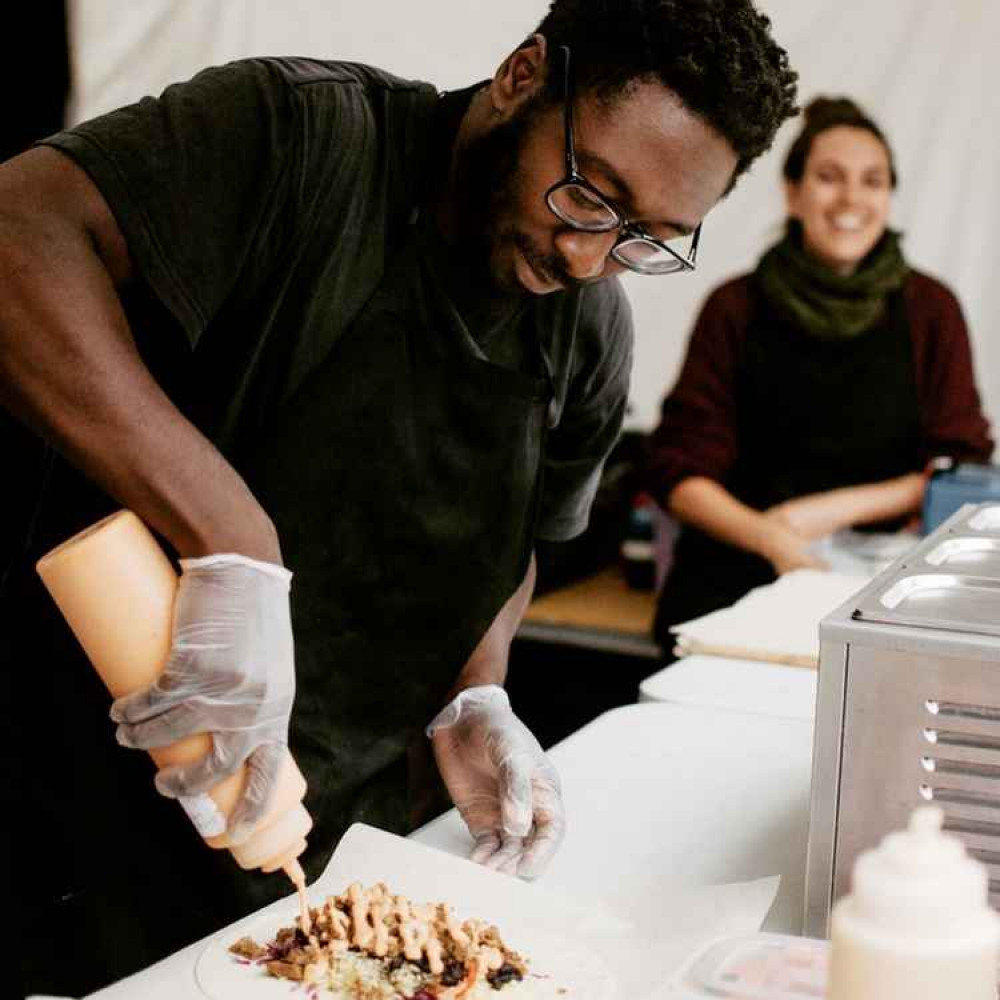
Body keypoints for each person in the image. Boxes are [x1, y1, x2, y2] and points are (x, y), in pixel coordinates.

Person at [0, 1, 798, 993]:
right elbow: (18, 228)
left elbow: (518, 541)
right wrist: (231, 534)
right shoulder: (300, 137)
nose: (587, 259)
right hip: (79, 806)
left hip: (326, 835)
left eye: (647, 235)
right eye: (589, 192)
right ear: (521, 76)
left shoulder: (589, 339)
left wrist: (477, 686)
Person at [645, 96, 994, 648]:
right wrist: (774, 538)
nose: (851, 199)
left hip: (882, 583)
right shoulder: (734, 307)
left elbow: (962, 464)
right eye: (829, 178)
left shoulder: (931, 310)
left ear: (888, 196)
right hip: (738, 574)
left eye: (872, 181)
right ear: (792, 193)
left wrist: (824, 512)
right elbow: (678, 473)